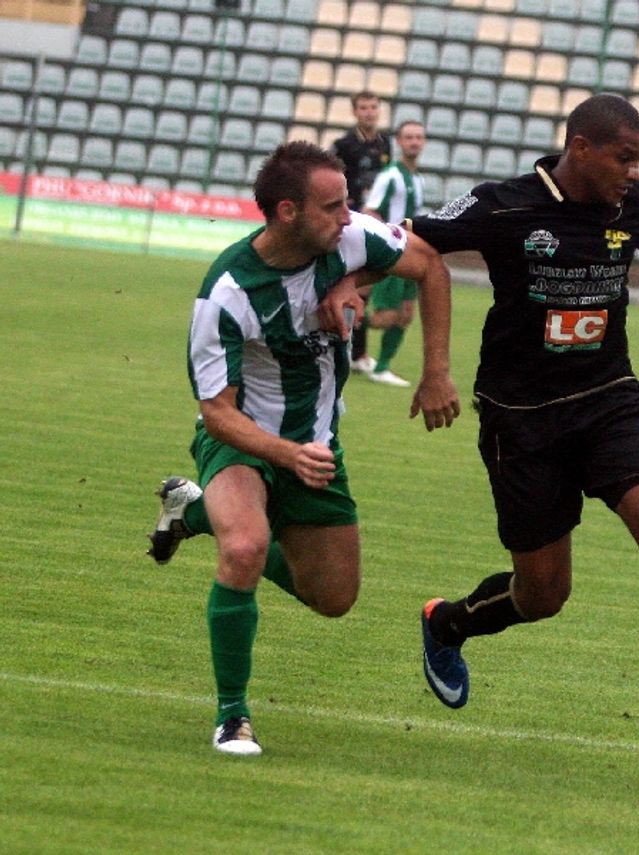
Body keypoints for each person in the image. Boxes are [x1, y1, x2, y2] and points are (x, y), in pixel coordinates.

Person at [397, 94, 639, 786]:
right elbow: (412, 239)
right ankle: (448, 623)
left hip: (609, 400)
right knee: (543, 593)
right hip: (521, 417)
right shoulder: (506, 205)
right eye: (625, 156)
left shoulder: (631, 201)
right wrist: (427, 360)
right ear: (579, 147)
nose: (635, 171)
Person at [145, 141, 460, 756]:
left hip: (316, 444)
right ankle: (231, 716)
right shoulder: (227, 293)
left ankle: (192, 511)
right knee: (246, 547)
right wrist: (282, 456)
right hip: (243, 443)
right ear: (287, 211)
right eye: (333, 205)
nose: (348, 216)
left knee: (334, 598)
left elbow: (430, 264)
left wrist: (436, 372)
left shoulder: (345, 239)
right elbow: (217, 413)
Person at [360, 120, 428, 387]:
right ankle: (336, 323)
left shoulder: (417, 178)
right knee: (385, 317)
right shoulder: (390, 175)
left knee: (406, 314)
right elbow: (370, 210)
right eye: (409, 137)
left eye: (418, 137)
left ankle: (382, 367)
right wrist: (380, 245)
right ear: (399, 142)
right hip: (392, 254)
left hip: (412, 253)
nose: (414, 142)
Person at [330, 90, 392, 375]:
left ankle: (355, 351)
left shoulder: (384, 143)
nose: (369, 112)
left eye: (373, 107)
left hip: (377, 223)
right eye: (364, 108)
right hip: (349, 221)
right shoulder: (343, 145)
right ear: (355, 112)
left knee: (363, 288)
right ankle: (351, 349)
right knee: (349, 284)